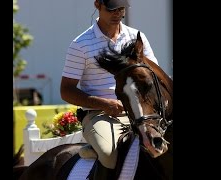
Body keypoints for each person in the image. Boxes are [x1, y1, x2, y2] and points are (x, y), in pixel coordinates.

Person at [60, 0, 158, 179]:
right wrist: (103, 103)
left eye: (121, 9)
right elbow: (66, 90)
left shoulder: (137, 38)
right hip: (100, 115)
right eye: (112, 9)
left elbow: (153, 77)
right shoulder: (80, 44)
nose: (118, 14)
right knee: (107, 153)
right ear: (97, 4)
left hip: (142, 112)